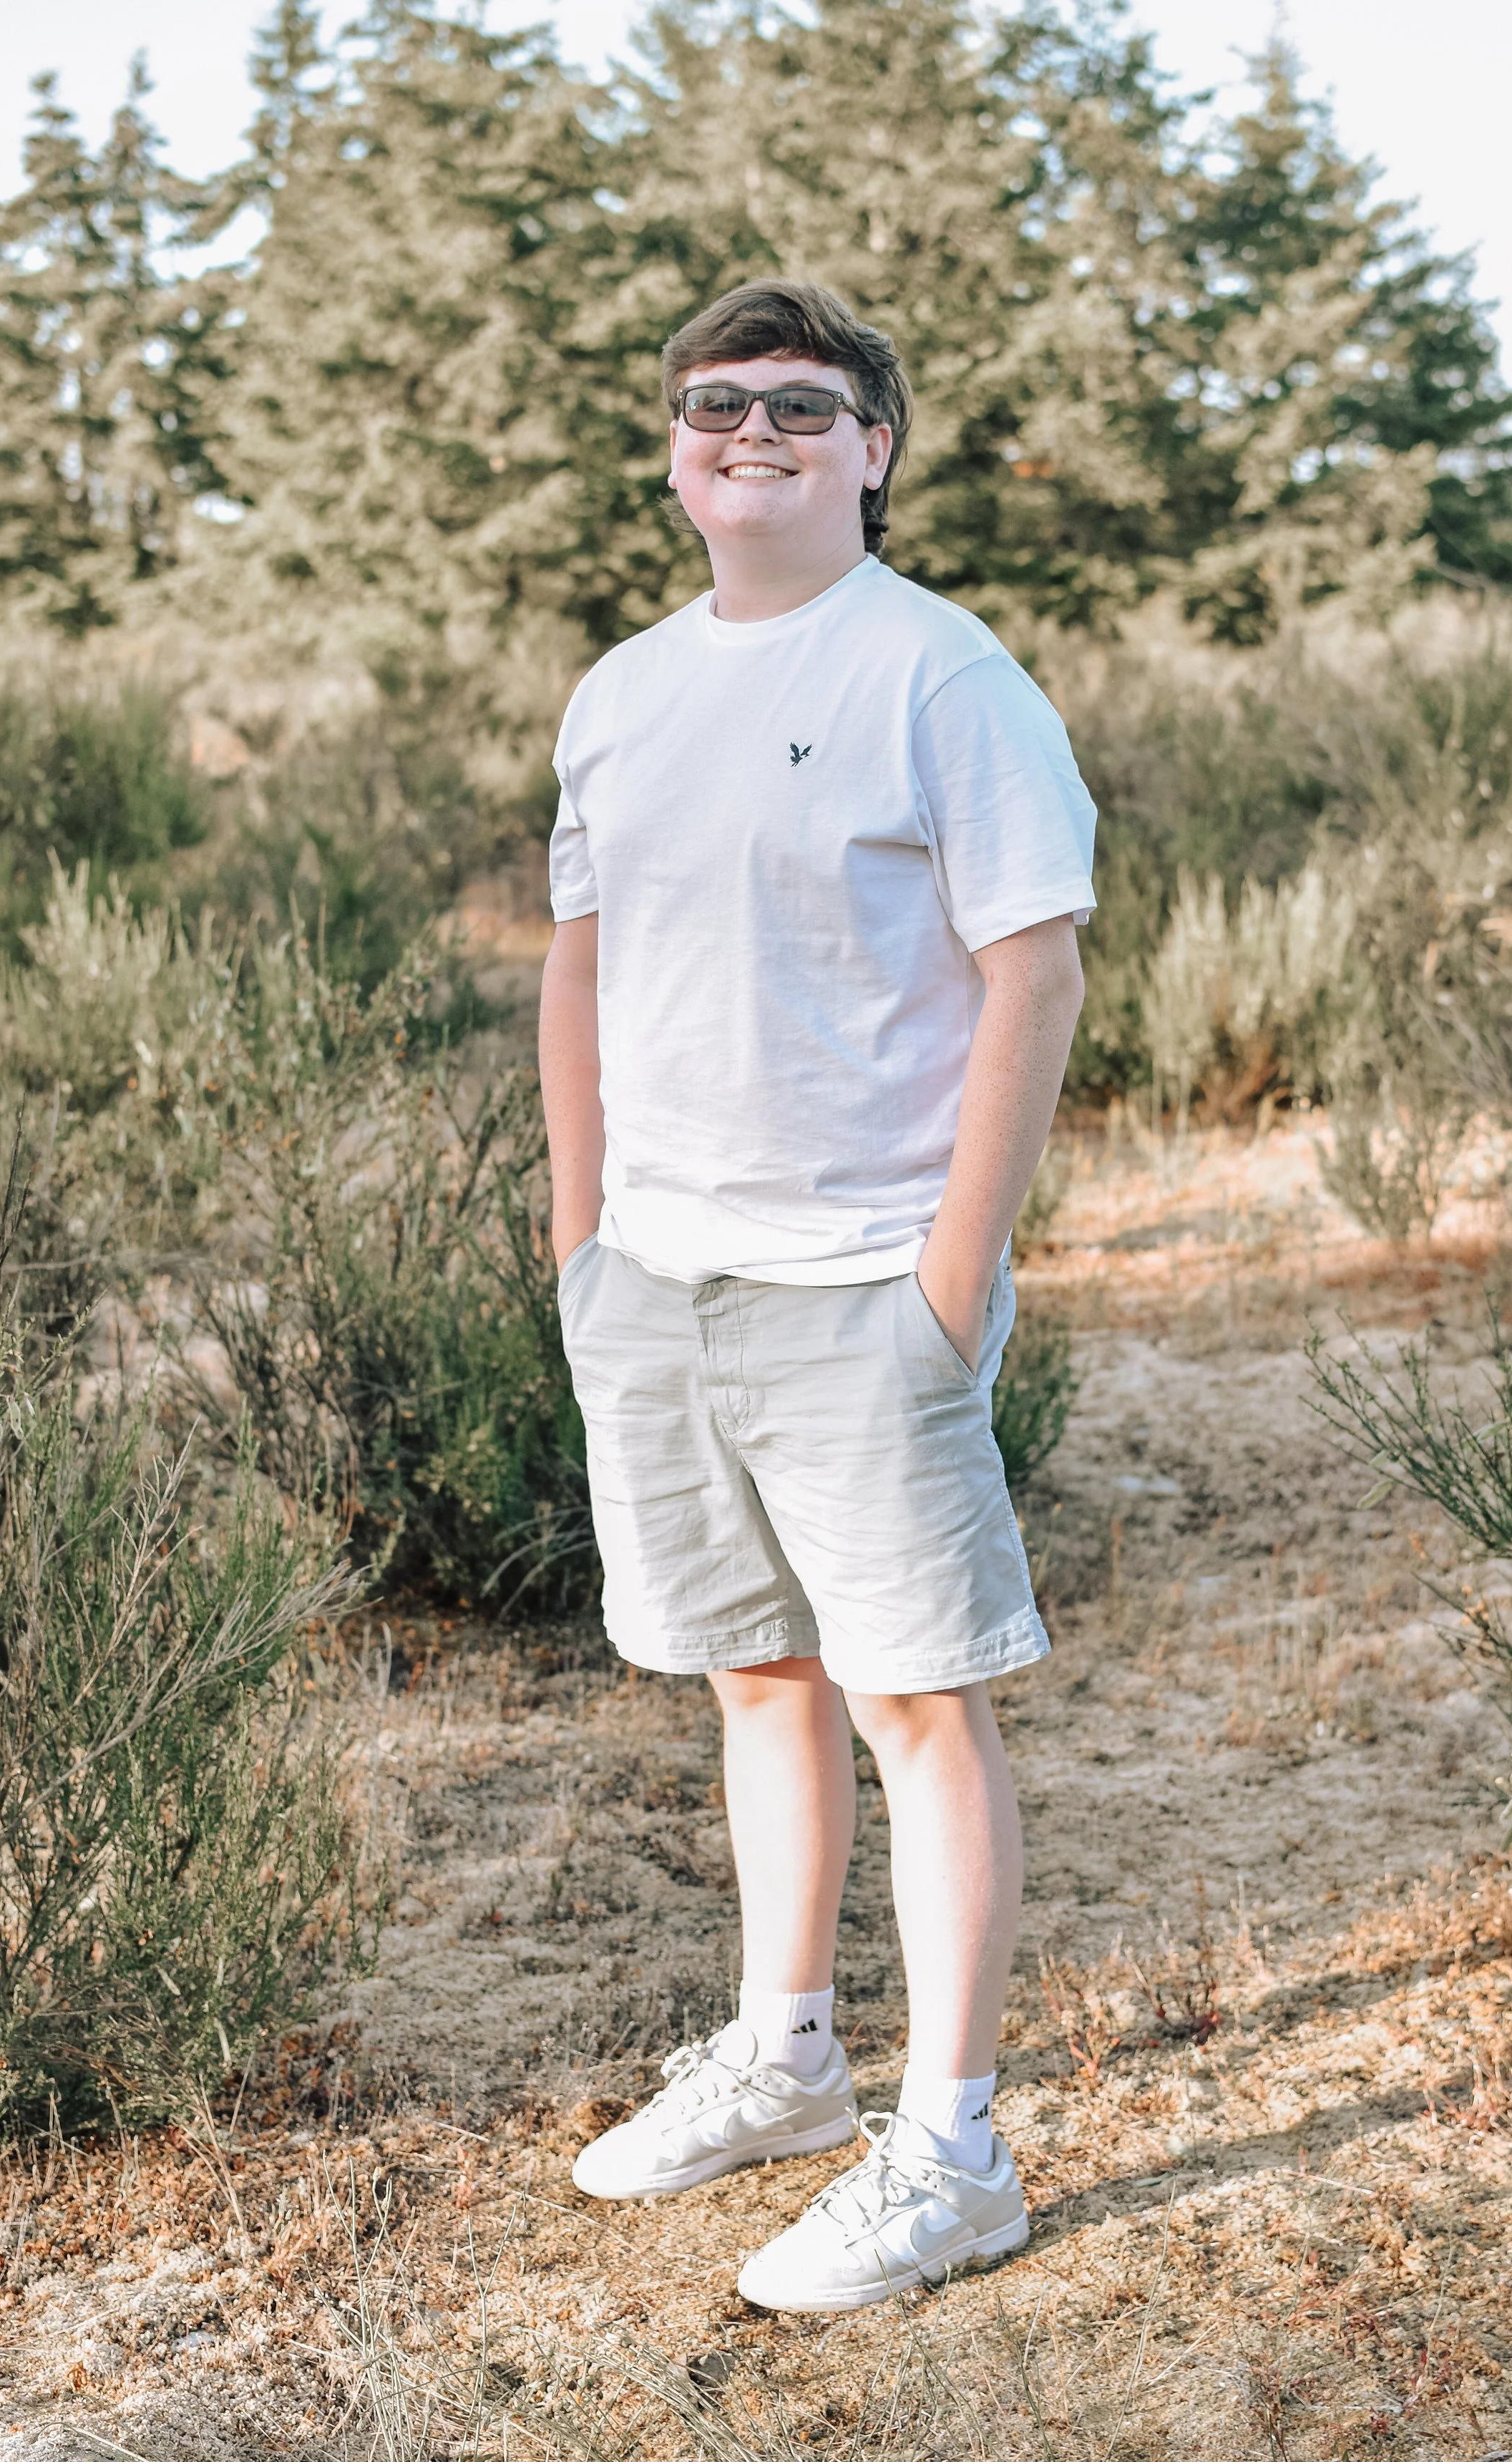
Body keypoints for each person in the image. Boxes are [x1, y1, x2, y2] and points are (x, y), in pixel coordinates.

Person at [538, 277, 1094, 2315]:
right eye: (713, 407)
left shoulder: (940, 677)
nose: (749, 434)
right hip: (658, 1282)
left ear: (873, 450)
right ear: (673, 454)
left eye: (801, 405)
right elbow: (580, 959)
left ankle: (951, 2155)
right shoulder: (619, 689)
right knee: (750, 1678)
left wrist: (947, 1288)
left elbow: (1031, 970)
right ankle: (782, 2060)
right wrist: (580, 1237)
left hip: (865, 1287)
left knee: (914, 1706)